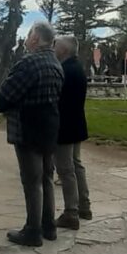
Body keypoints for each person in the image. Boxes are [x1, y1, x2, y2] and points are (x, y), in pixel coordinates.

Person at [0, 22, 64, 247]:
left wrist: (3, 104)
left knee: (31, 181)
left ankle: (33, 231)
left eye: (28, 34)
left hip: (27, 128)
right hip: (49, 128)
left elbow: (6, 96)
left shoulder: (29, 63)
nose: (26, 38)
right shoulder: (56, 63)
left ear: (35, 38)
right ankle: (49, 226)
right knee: (46, 177)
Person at [52, 35, 91, 230]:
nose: (54, 49)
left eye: (56, 47)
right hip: (76, 124)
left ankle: (71, 213)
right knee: (76, 166)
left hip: (65, 127)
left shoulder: (65, 70)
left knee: (66, 170)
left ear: (64, 50)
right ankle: (84, 205)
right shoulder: (77, 67)